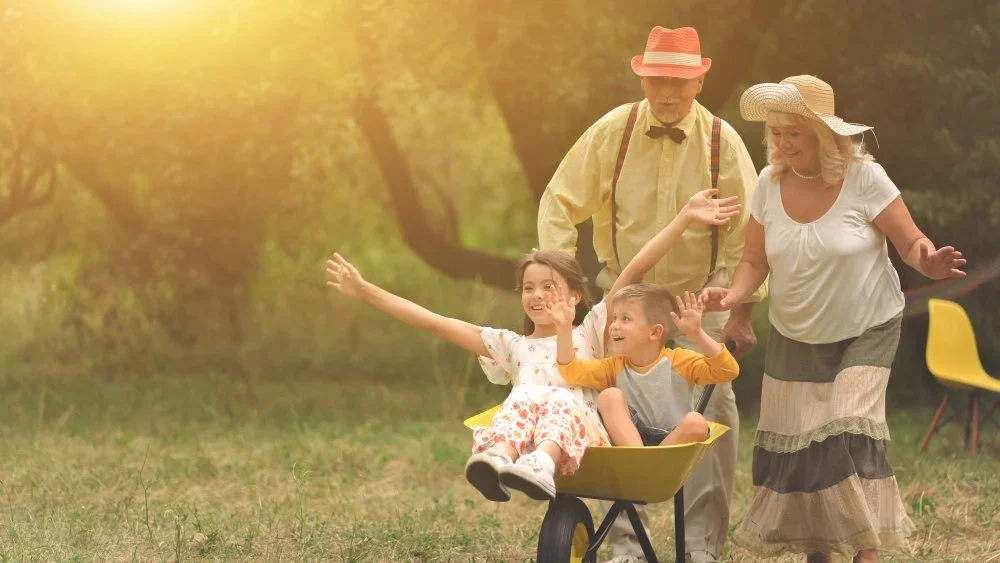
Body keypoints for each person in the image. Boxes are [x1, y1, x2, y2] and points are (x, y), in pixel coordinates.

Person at [322, 189, 738, 505]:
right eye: (528, 288)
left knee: (556, 397)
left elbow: (635, 269)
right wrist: (366, 292)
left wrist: (685, 217)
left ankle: (542, 461)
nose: (537, 296)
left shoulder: (592, 331)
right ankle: (500, 456)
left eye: (549, 288)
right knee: (522, 396)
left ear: (575, 297)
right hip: (532, 430)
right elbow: (435, 321)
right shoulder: (510, 345)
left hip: (585, 435)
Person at [702, 74, 967, 563]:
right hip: (795, 333)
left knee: (848, 429)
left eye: (794, 133)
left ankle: (866, 552)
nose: (781, 144)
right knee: (802, 447)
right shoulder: (768, 183)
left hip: (867, 327)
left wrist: (926, 261)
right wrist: (732, 297)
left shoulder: (866, 177)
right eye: (775, 133)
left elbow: (911, 242)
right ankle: (820, 552)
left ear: (823, 134)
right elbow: (754, 262)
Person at [537, 25, 765, 562]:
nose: (668, 92)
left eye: (680, 82)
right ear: (642, 75)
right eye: (658, 79)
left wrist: (742, 312)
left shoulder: (721, 142)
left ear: (701, 78)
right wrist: (560, 288)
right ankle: (622, 544)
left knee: (716, 414)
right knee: (606, 408)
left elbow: (752, 235)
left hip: (697, 304)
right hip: (624, 297)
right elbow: (558, 201)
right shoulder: (612, 132)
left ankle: (703, 545)